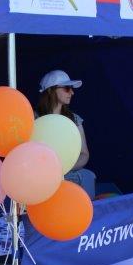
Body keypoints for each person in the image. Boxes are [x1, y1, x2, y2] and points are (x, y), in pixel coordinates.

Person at [37, 69, 96, 198]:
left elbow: (84, 154)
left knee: (87, 176)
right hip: (42, 176)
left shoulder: (75, 119)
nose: (72, 92)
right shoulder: (35, 119)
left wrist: (64, 168)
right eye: (67, 88)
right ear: (51, 90)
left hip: (69, 173)